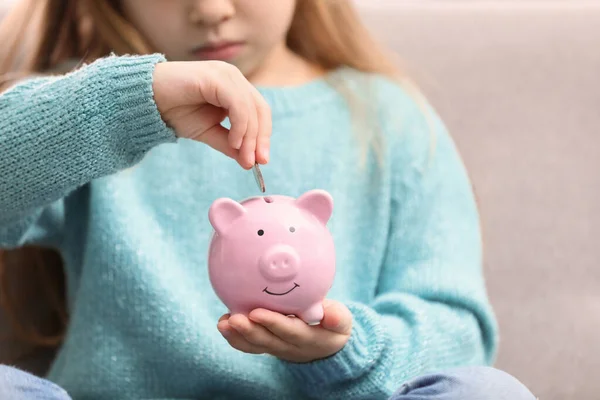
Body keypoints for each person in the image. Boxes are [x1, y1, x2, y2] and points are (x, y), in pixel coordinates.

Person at [0, 0, 536, 399]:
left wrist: (345, 349)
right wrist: (130, 103)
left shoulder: (389, 120)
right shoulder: (88, 108)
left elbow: (458, 334)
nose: (210, 11)